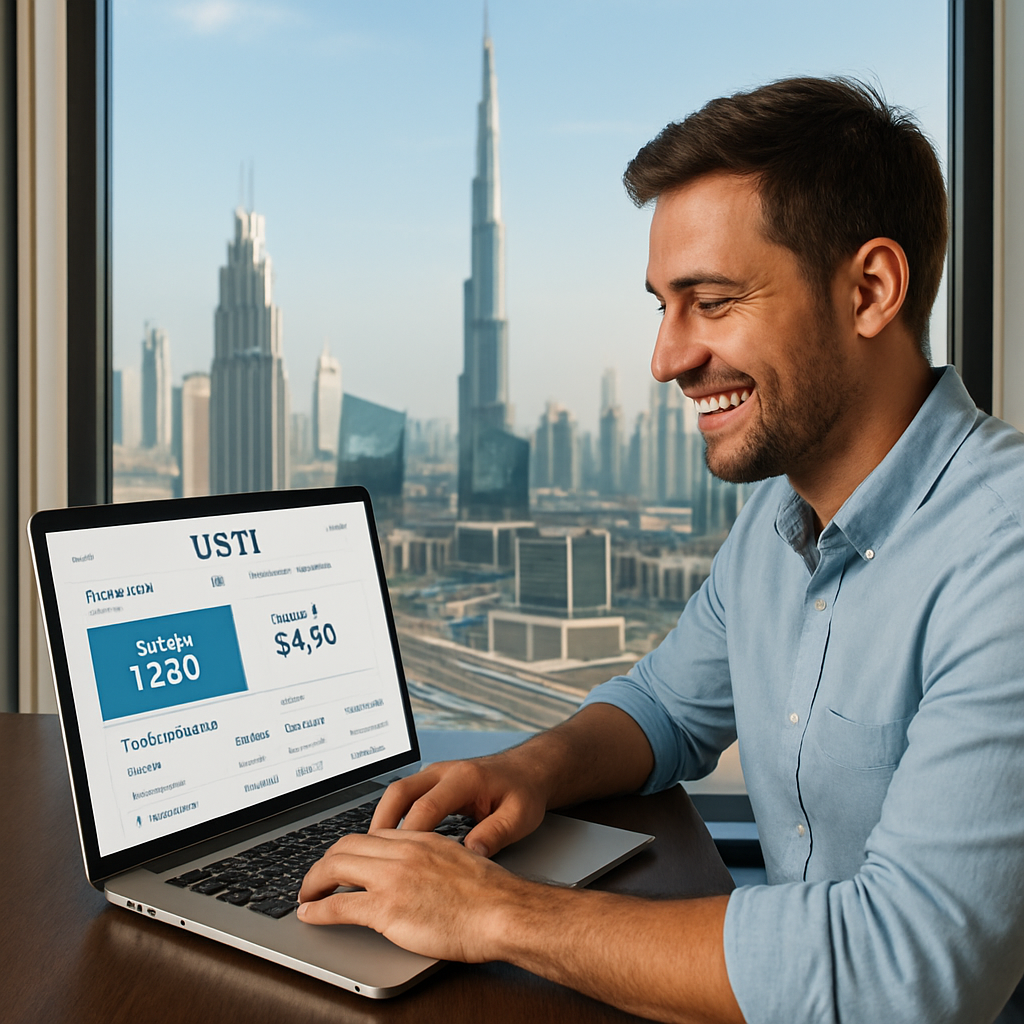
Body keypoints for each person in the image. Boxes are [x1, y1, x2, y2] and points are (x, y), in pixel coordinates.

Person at [298, 78, 1024, 1024]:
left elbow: (900, 972)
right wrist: (529, 770)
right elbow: (664, 706)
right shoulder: (778, 520)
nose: (668, 359)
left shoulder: (1002, 558)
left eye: (712, 302)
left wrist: (497, 914)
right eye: (662, 307)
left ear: (870, 289)